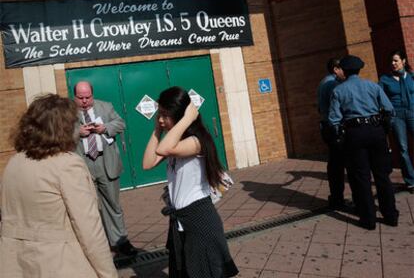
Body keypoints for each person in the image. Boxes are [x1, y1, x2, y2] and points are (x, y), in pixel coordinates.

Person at [0, 94, 118, 278]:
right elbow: (89, 230)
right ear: (63, 127)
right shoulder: (67, 165)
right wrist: (108, 273)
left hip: (18, 265)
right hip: (61, 264)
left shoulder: (14, 163)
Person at [143, 86, 239, 278]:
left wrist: (188, 118)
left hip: (199, 218)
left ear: (179, 115)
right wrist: (156, 129)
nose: (161, 119)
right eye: (159, 114)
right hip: (180, 219)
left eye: (165, 114)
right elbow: (147, 163)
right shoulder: (174, 142)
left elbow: (163, 149)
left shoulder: (196, 142)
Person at [329, 55, 399, 230]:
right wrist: (384, 129)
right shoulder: (372, 85)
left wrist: (340, 137)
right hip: (376, 131)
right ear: (359, 69)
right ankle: (390, 215)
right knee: (382, 175)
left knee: (362, 178)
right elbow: (390, 110)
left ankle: (368, 219)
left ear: (343, 71)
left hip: (354, 134)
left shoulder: (338, 91)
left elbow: (334, 120)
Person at [74, 81, 137, 258]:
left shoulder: (105, 107)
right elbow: (60, 134)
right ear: (75, 97)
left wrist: (105, 128)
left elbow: (121, 123)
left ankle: (121, 242)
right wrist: (77, 132)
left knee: (113, 204)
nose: (85, 101)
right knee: (88, 209)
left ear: (92, 95)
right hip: (83, 164)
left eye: (88, 97)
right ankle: (96, 244)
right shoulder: (67, 112)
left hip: (105, 162)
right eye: (81, 98)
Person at [379, 49, 414, 194]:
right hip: (397, 115)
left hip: (413, 112)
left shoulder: (411, 77)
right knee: (403, 148)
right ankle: (411, 181)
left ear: (403, 61)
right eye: (391, 61)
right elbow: (379, 98)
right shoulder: (384, 80)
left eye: (396, 60)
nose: (393, 63)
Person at [317, 58, 349, 209]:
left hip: (326, 125)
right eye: (343, 68)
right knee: (339, 163)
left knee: (335, 162)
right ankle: (338, 199)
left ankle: (336, 198)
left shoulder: (323, 82)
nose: (345, 72)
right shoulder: (333, 84)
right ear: (336, 69)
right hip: (334, 127)